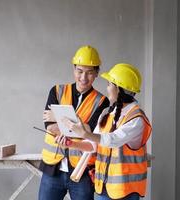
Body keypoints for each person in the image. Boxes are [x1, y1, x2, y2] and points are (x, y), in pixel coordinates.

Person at [57, 63, 152, 200]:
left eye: (109, 84)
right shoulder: (107, 114)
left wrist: (85, 133)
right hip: (103, 188)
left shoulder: (136, 118)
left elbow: (113, 140)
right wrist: (71, 144)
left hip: (125, 192)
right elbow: (93, 145)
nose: (107, 89)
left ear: (118, 89)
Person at [39, 45, 110, 200]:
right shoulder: (57, 91)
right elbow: (49, 125)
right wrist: (79, 128)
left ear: (97, 73)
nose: (83, 77)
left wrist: (58, 118)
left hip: (82, 171)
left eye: (89, 72)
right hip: (53, 169)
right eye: (80, 71)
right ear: (74, 69)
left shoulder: (102, 102)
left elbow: (89, 131)